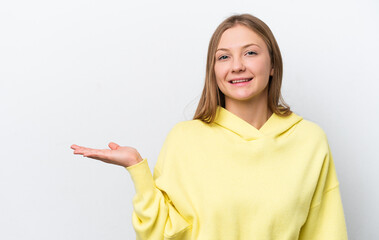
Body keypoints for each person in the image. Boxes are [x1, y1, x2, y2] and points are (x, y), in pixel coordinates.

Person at [71, 13, 348, 240]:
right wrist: (137, 169)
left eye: (250, 53)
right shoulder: (185, 140)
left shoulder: (309, 140)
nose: (237, 66)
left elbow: (326, 232)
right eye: (224, 57)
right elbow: (161, 234)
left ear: (273, 64)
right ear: (213, 71)